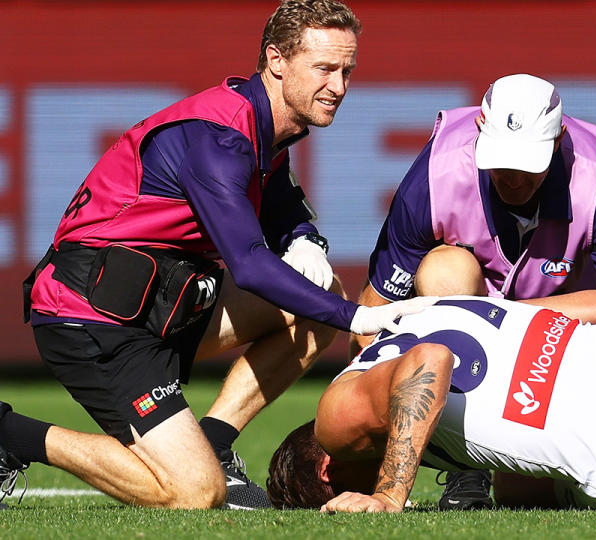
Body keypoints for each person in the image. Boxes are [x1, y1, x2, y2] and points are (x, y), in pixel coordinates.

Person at [0, 0, 432, 510]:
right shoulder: (220, 138)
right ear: (276, 60)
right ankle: (10, 434)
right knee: (195, 493)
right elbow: (248, 264)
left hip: (157, 303)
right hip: (94, 314)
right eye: (324, 68)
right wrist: (358, 315)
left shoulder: (263, 125)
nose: (338, 86)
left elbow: (279, 201)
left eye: (347, 70)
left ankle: (215, 443)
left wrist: (303, 239)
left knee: (319, 302)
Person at [352, 73, 596, 508]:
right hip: (465, 340)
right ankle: (465, 471)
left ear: (558, 141)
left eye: (528, 163)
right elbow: (375, 309)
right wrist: (367, 414)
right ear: (479, 129)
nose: (513, 179)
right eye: (501, 160)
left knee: (531, 496)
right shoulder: (434, 174)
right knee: (445, 268)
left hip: (558, 338)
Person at [266, 293, 596, 512]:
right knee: (513, 491)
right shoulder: (420, 313)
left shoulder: (335, 421)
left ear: (328, 471)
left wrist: (387, 494)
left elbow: (429, 361)